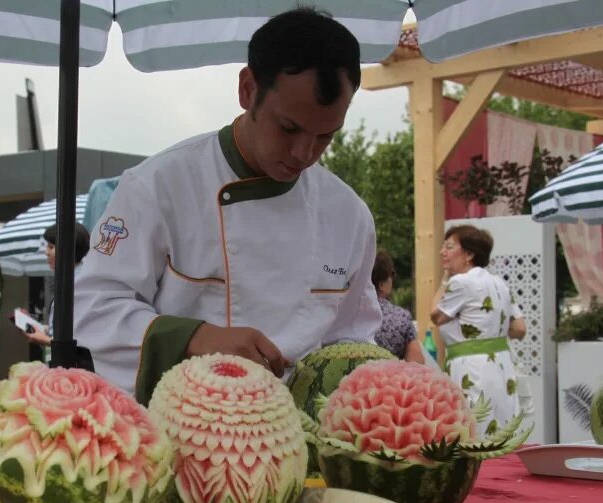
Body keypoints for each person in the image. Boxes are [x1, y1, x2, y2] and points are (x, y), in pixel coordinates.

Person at [73, 8, 382, 404]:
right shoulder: (158, 187)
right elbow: (90, 310)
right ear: (248, 89)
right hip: (182, 433)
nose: (304, 153)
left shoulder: (349, 215)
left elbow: (352, 340)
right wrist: (197, 338)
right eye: (288, 128)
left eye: (326, 136)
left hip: (300, 444)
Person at [431, 225, 527, 432]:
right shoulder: (499, 283)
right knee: (502, 426)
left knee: (474, 426)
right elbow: (519, 328)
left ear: (469, 254)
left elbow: (435, 316)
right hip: (501, 364)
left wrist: (444, 280)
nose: (442, 252)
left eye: (449, 246)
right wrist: (490, 329)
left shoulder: (460, 282)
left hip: (471, 367)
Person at [21, 222, 91, 348]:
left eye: (51, 247)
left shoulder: (77, 284)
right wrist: (42, 329)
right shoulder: (74, 278)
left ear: (67, 249)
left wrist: (45, 339)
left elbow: (78, 339)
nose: (46, 252)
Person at [372, 251, 425, 363]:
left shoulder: (342, 313)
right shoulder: (400, 317)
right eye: (391, 275)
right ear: (381, 284)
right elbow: (416, 363)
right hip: (388, 378)